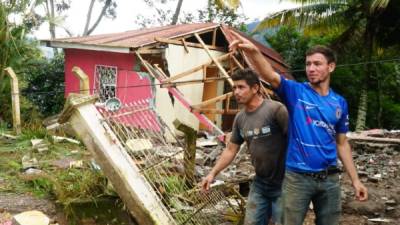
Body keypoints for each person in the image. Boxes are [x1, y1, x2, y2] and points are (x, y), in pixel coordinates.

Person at [228, 31, 368, 225]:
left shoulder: (340, 103)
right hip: (297, 179)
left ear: (331, 67)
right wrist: (253, 51)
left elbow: (342, 144)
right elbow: (269, 74)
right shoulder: (296, 92)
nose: (311, 68)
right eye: (308, 64)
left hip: (330, 179)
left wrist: (355, 180)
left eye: (317, 64)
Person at [201, 68, 288, 225]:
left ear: (255, 88)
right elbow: (231, 149)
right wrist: (212, 173)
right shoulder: (240, 118)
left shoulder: (276, 110)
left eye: (241, 87)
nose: (236, 92)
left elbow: (295, 140)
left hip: (285, 183)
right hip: (260, 183)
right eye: (234, 88)